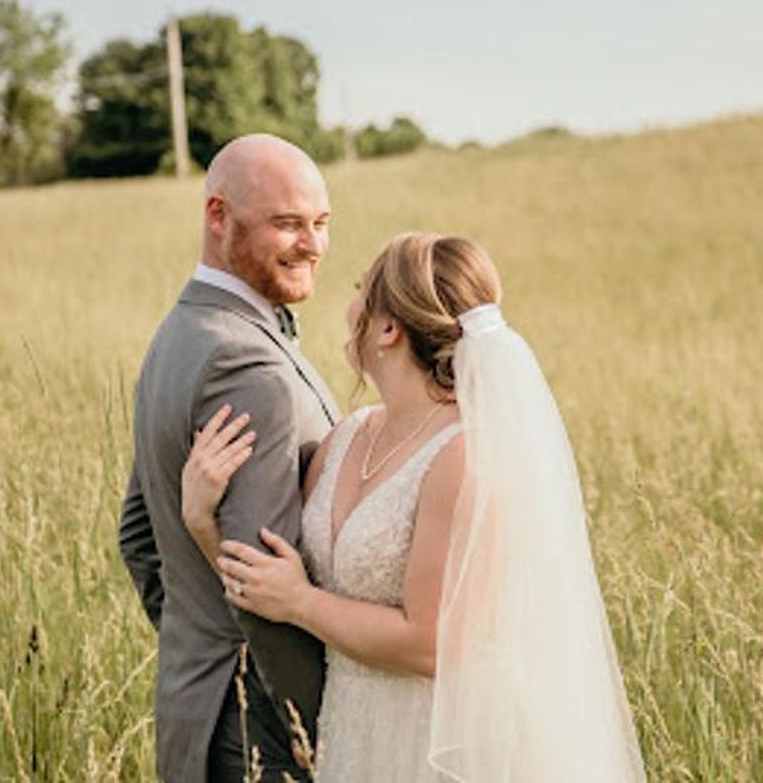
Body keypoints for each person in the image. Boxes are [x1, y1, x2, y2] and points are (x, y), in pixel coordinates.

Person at [182, 232, 646, 781]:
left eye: (361, 289)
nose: (349, 304)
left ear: (388, 329)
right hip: (352, 733)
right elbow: (269, 586)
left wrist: (302, 602)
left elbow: (431, 644)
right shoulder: (348, 437)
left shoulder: (463, 458)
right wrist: (202, 519)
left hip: (433, 742)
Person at [119, 134, 340, 783]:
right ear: (218, 215)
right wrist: (318, 726)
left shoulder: (177, 334)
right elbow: (260, 575)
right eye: (288, 223)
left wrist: (198, 643)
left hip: (196, 714)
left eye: (321, 222)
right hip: (263, 731)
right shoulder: (244, 364)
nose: (313, 245)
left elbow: (138, 538)